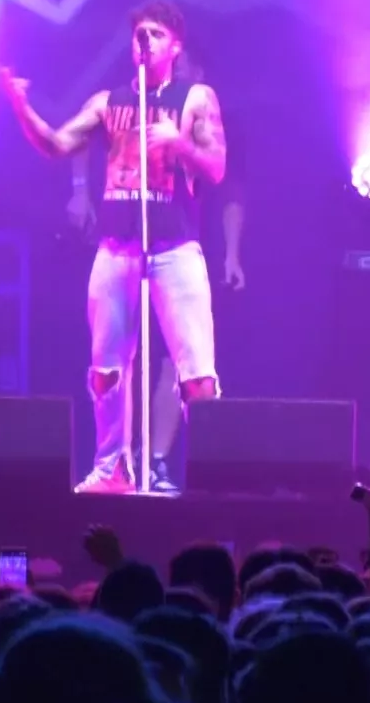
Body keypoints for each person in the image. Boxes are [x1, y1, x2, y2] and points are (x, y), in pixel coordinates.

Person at [1, 0, 227, 495]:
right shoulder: (110, 101)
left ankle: (209, 473)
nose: (142, 41)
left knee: (196, 373)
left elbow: (216, 167)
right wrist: (21, 108)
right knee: (105, 369)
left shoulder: (195, 98)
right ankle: (113, 469)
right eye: (137, 34)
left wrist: (179, 142)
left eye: (153, 34)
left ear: (174, 45)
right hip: (117, 249)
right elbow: (58, 145)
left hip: (174, 247)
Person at [67, 45, 245, 494]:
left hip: (182, 246)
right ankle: (118, 465)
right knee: (114, 362)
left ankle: (168, 459)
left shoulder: (201, 113)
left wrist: (232, 256)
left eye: (182, 71)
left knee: (183, 367)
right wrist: (80, 189)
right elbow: (80, 138)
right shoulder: (127, 106)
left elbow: (231, 192)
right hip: (127, 245)